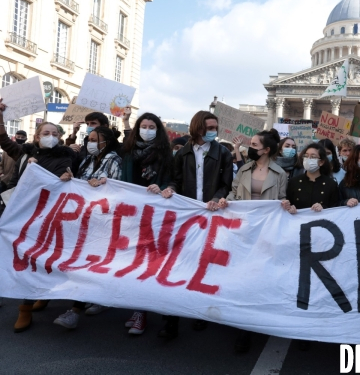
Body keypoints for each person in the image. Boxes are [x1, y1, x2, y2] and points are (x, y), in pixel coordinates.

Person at [0, 99, 73, 332]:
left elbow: (73, 183)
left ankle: (39, 296)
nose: (50, 136)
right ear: (37, 135)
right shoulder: (23, 153)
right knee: (24, 258)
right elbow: (2, 139)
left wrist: (66, 179)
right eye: (45, 132)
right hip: (22, 215)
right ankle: (25, 308)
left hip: (48, 218)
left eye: (54, 133)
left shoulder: (66, 157)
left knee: (42, 259)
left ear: (59, 137)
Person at [160, 111, 233, 339]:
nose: (213, 131)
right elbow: (176, 179)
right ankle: (170, 319)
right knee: (179, 266)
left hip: (212, 217)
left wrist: (215, 198)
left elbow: (227, 184)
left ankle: (200, 313)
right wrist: (171, 188)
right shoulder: (182, 153)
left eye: (215, 127)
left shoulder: (223, 153)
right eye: (209, 127)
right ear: (197, 128)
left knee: (205, 267)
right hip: (187, 217)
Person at [218, 128, 287, 352]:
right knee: (240, 276)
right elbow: (233, 192)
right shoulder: (244, 169)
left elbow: (282, 199)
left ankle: (252, 324)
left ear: (266, 150)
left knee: (258, 278)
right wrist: (225, 202)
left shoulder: (280, 174)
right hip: (242, 230)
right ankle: (241, 325)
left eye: (255, 145)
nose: (251, 148)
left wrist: (286, 205)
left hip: (265, 232)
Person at [52, 126, 123, 329]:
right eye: (88, 139)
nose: (89, 142)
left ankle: (75, 310)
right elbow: (79, 182)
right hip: (83, 220)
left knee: (90, 263)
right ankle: (98, 298)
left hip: (101, 223)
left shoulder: (113, 160)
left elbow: (117, 189)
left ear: (105, 142)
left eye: (93, 139)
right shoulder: (88, 160)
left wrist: (103, 184)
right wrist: (69, 179)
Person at [120, 112, 173, 335]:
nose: (148, 129)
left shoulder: (165, 154)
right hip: (131, 214)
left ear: (158, 130)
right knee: (131, 263)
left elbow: (172, 179)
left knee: (147, 264)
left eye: (152, 126)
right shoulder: (129, 151)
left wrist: (162, 188)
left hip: (154, 216)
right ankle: (136, 311)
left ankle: (142, 313)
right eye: (144, 126)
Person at [284, 143, 339, 213]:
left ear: (321, 162)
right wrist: (290, 207)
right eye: (306, 156)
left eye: (313, 157)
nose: (308, 159)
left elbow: (335, 208)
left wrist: (323, 208)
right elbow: (288, 202)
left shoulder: (331, 184)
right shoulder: (294, 182)